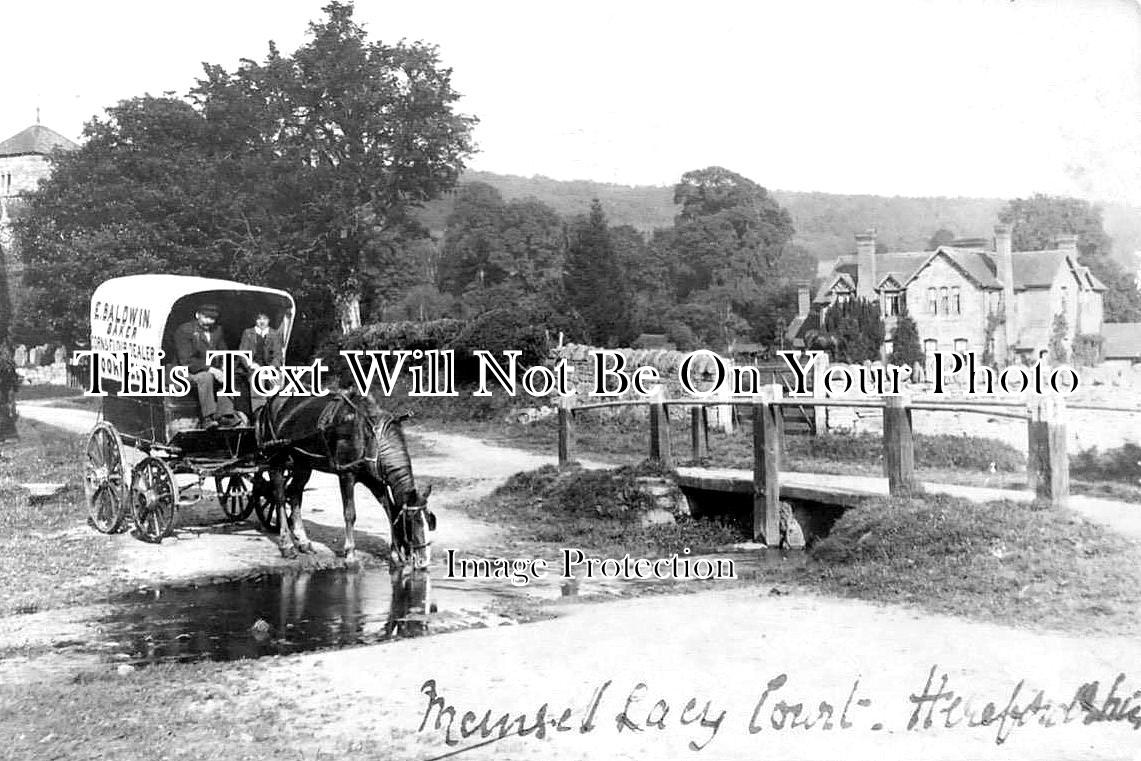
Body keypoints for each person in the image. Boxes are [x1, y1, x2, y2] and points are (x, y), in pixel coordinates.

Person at [173, 302, 235, 429]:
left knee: (228, 374)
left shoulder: (217, 331)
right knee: (205, 377)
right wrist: (211, 369)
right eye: (206, 317)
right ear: (198, 315)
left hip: (210, 371)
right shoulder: (185, 330)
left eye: (212, 319)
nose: (209, 322)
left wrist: (224, 367)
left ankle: (225, 415)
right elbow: (186, 360)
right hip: (186, 372)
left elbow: (223, 351)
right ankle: (208, 417)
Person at [238, 311, 284, 413]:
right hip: (254, 368)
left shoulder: (274, 334)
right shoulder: (248, 333)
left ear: (269, 320)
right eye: (259, 319)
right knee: (257, 379)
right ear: (255, 320)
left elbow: (278, 355)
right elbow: (243, 353)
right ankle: (258, 412)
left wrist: (271, 368)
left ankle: (275, 411)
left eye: (265, 319)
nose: (262, 322)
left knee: (277, 379)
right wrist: (251, 364)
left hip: (269, 367)